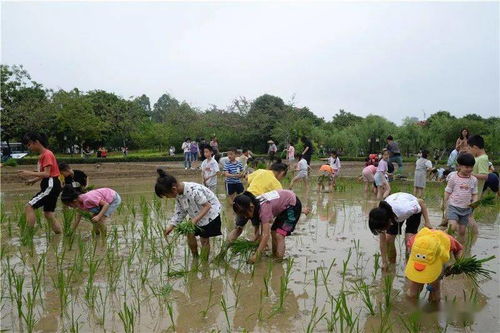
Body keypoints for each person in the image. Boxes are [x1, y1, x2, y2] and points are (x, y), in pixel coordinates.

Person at [155, 169, 222, 258]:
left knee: (204, 240)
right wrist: (171, 226)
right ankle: (195, 258)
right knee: (189, 233)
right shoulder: (178, 194)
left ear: (174, 189)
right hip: (197, 214)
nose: (167, 198)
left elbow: (207, 206)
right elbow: (180, 211)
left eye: (167, 195)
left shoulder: (194, 191)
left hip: (210, 214)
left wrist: (195, 219)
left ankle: (204, 264)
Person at [232, 190, 305, 263]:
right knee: (273, 231)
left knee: (280, 234)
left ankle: (279, 260)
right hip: (285, 204)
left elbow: (266, 235)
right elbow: (260, 232)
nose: (245, 217)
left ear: (251, 207)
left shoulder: (264, 209)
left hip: (293, 206)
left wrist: (256, 255)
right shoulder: (255, 205)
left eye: (245, 213)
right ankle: (274, 255)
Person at [226, 161, 288, 244]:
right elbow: (281, 201)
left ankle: (225, 248)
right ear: (282, 173)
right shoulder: (277, 184)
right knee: (259, 229)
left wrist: (246, 175)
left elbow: (248, 178)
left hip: (244, 199)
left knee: (238, 228)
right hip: (258, 204)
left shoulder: (260, 171)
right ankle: (259, 249)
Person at [368, 192, 433, 271]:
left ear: (389, 221)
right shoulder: (380, 215)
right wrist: (384, 262)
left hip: (410, 208)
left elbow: (421, 202)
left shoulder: (405, 209)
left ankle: (409, 266)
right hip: (394, 211)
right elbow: (383, 241)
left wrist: (427, 222)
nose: (382, 231)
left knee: (409, 240)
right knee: (389, 240)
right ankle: (392, 264)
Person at [17, 133, 62, 235]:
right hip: (52, 183)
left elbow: (47, 174)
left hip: (51, 184)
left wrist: (28, 173)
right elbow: (47, 173)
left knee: (29, 206)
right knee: (48, 214)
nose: (29, 148)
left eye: (29, 145)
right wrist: (33, 180)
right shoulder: (44, 155)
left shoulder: (47, 154)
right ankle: (59, 234)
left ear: (36, 142)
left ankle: (28, 235)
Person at [405, 227, 463, 303]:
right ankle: (411, 307)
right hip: (419, 260)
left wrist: (459, 264)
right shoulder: (416, 239)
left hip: (436, 261)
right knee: (413, 292)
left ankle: (433, 309)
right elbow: (409, 250)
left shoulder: (448, 240)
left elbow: (459, 249)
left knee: (435, 292)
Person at [444, 153, 478, 238]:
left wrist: (474, 202)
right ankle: (445, 240)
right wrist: (445, 204)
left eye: (471, 167)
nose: (469, 169)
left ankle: (461, 249)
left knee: (462, 231)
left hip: (466, 210)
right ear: (459, 166)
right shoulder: (453, 177)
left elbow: (475, 194)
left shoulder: (473, 180)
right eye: (466, 167)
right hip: (453, 207)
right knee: (452, 227)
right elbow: (448, 191)